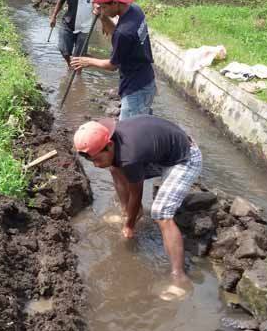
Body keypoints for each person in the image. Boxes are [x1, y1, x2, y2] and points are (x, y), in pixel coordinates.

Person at [73, 115, 203, 285]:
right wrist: (129, 214)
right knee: (113, 167)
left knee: (161, 213)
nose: (96, 165)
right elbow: (120, 172)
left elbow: (137, 194)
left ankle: (178, 276)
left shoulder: (130, 156)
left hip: (186, 158)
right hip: (164, 153)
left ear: (110, 145)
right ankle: (129, 212)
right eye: (92, 161)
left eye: (98, 159)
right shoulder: (112, 139)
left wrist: (129, 227)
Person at [70, 0, 156, 120]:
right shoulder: (135, 11)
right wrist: (102, 17)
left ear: (115, 3)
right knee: (141, 123)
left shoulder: (124, 32)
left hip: (136, 88)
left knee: (129, 131)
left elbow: (112, 65)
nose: (101, 9)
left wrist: (88, 61)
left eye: (104, 7)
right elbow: (117, 33)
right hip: (146, 79)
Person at [49, 0, 94, 75]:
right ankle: (69, 64)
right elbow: (60, 2)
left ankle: (77, 75)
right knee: (63, 49)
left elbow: (99, 8)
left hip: (85, 28)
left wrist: (105, 23)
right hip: (68, 23)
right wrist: (53, 17)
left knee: (79, 58)